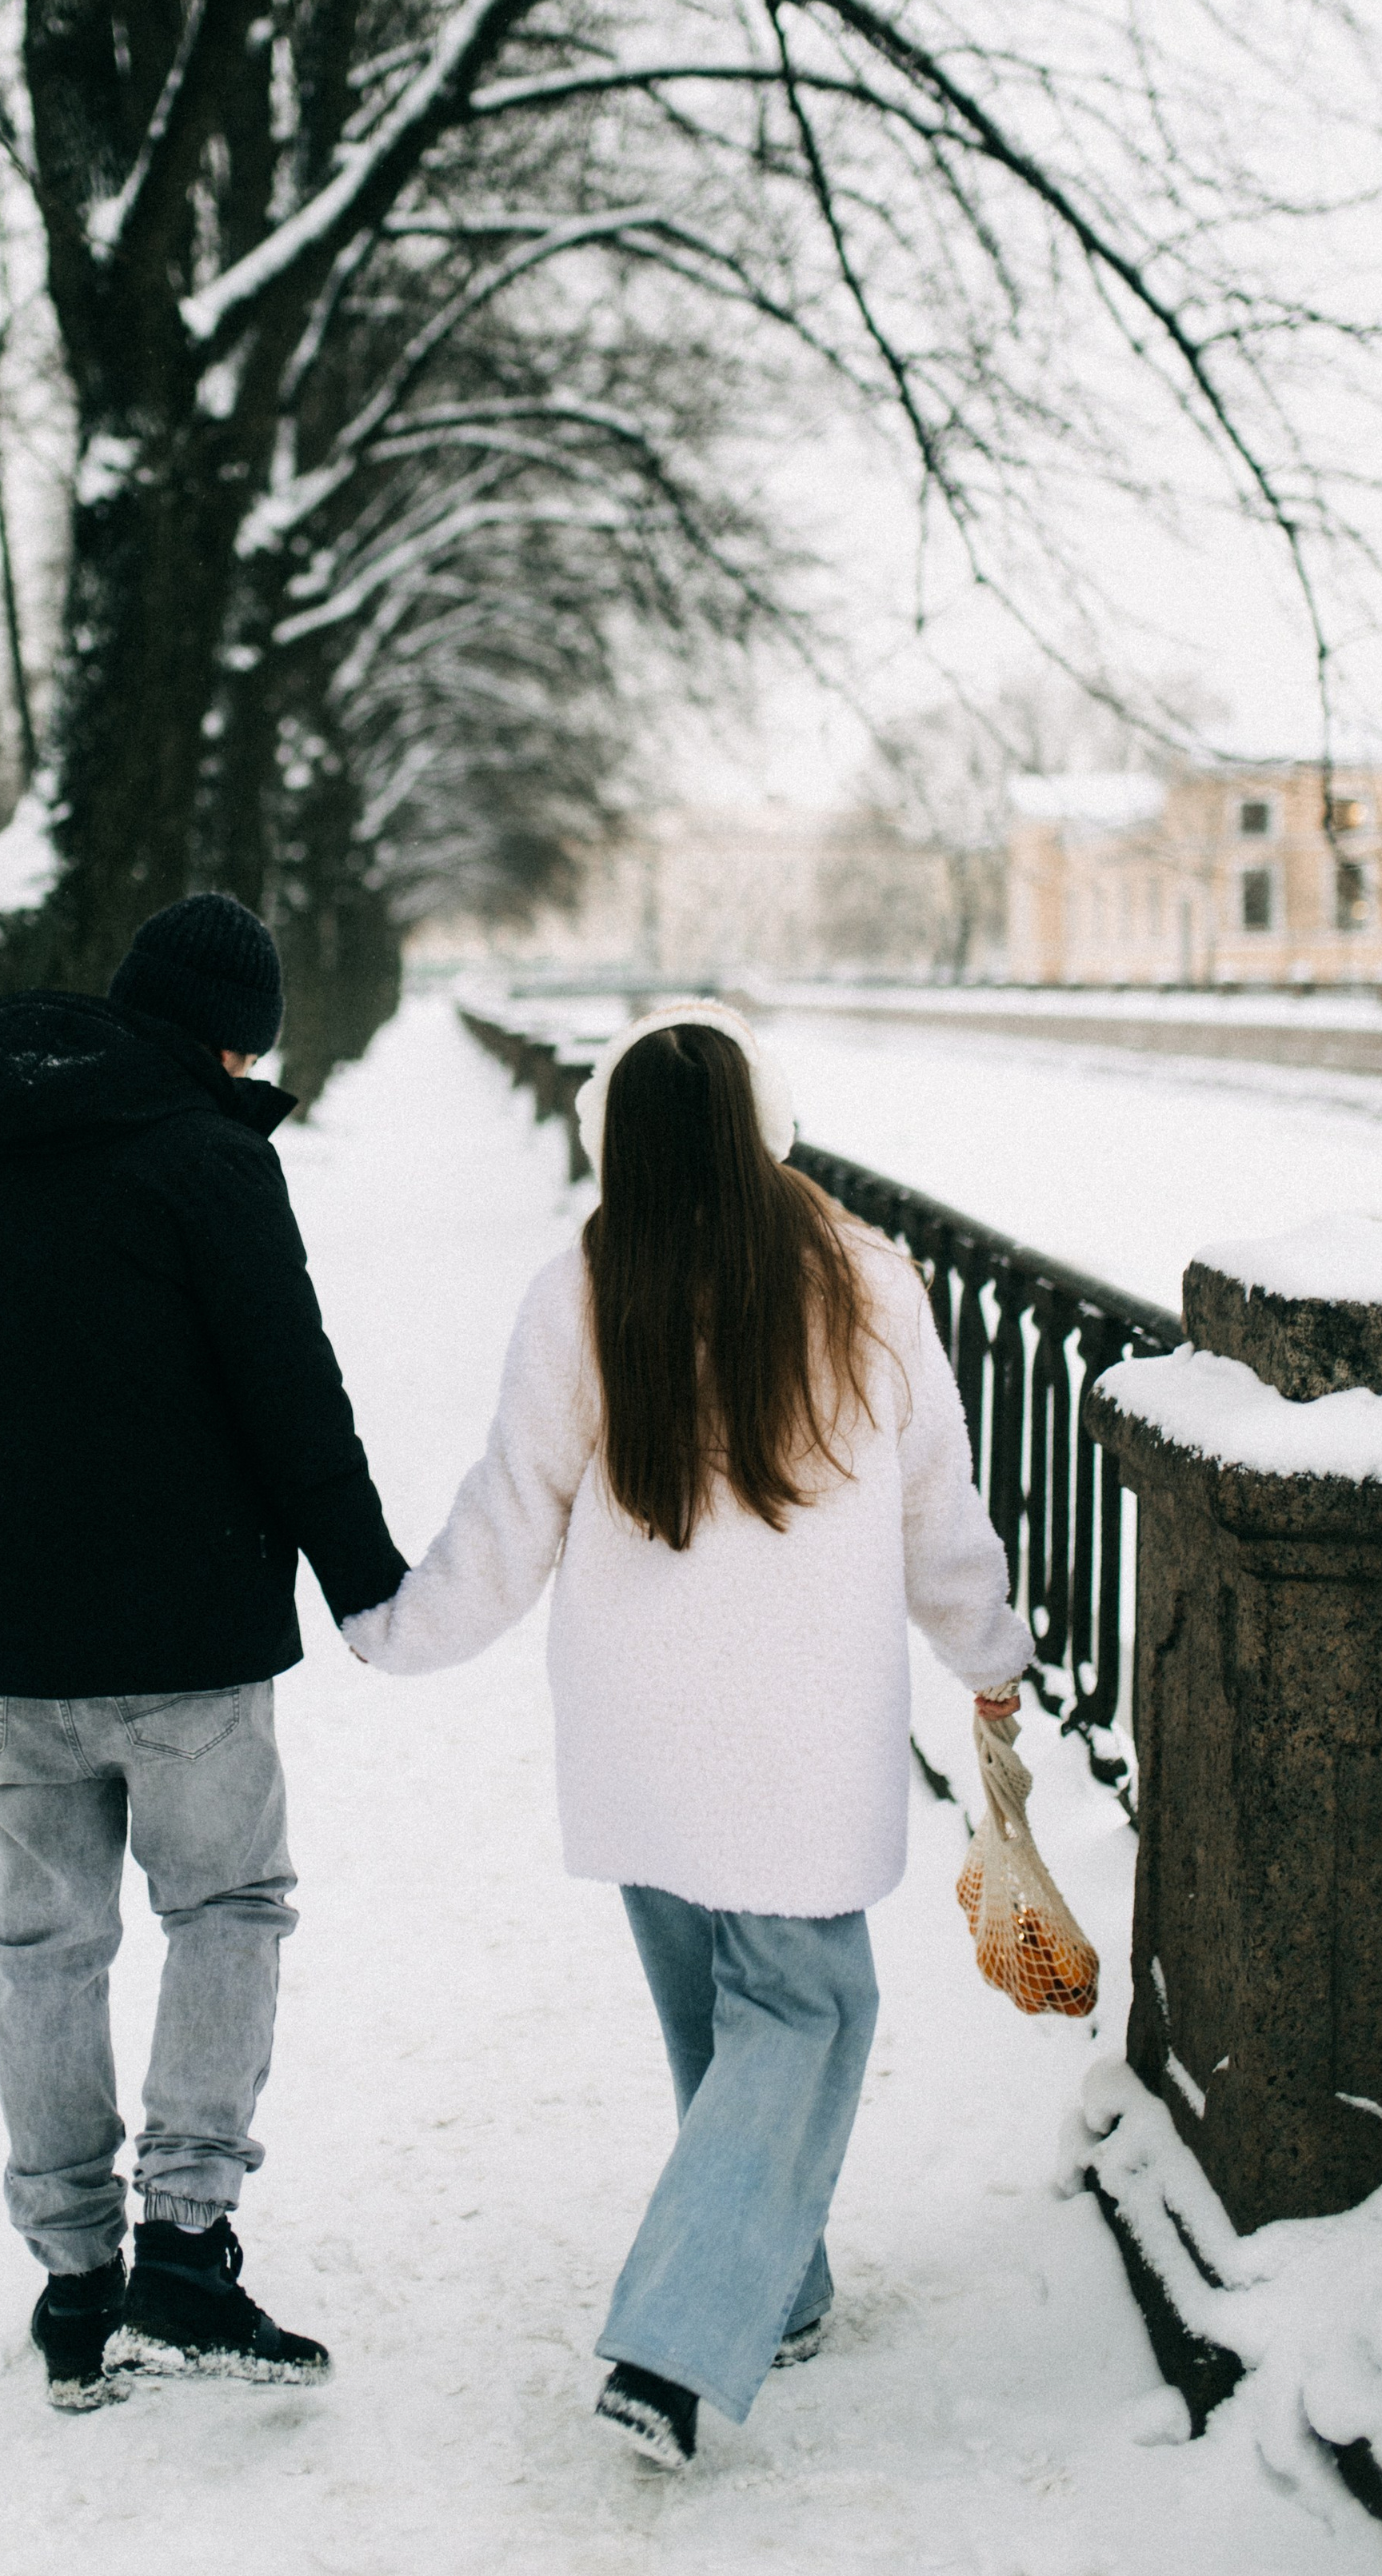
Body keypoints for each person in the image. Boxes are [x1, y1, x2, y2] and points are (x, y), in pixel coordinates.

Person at [344, 999, 1030, 2470]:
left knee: (725, 2029)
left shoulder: (585, 1285)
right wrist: (994, 1652)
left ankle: (777, 2287)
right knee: (808, 2013)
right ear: (760, 1126)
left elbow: (510, 1512)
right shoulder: (864, 1281)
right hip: (798, 1739)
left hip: (639, 1741)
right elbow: (934, 1506)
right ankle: (673, 2343)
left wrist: (397, 1628)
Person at [0, 893, 406, 2408]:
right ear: (234, 1036)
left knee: (42, 1943)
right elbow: (290, 1392)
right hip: (181, 1638)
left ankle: (69, 2280)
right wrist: (368, 1585)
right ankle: (182, 2247)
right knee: (226, 1903)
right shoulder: (211, 1159)